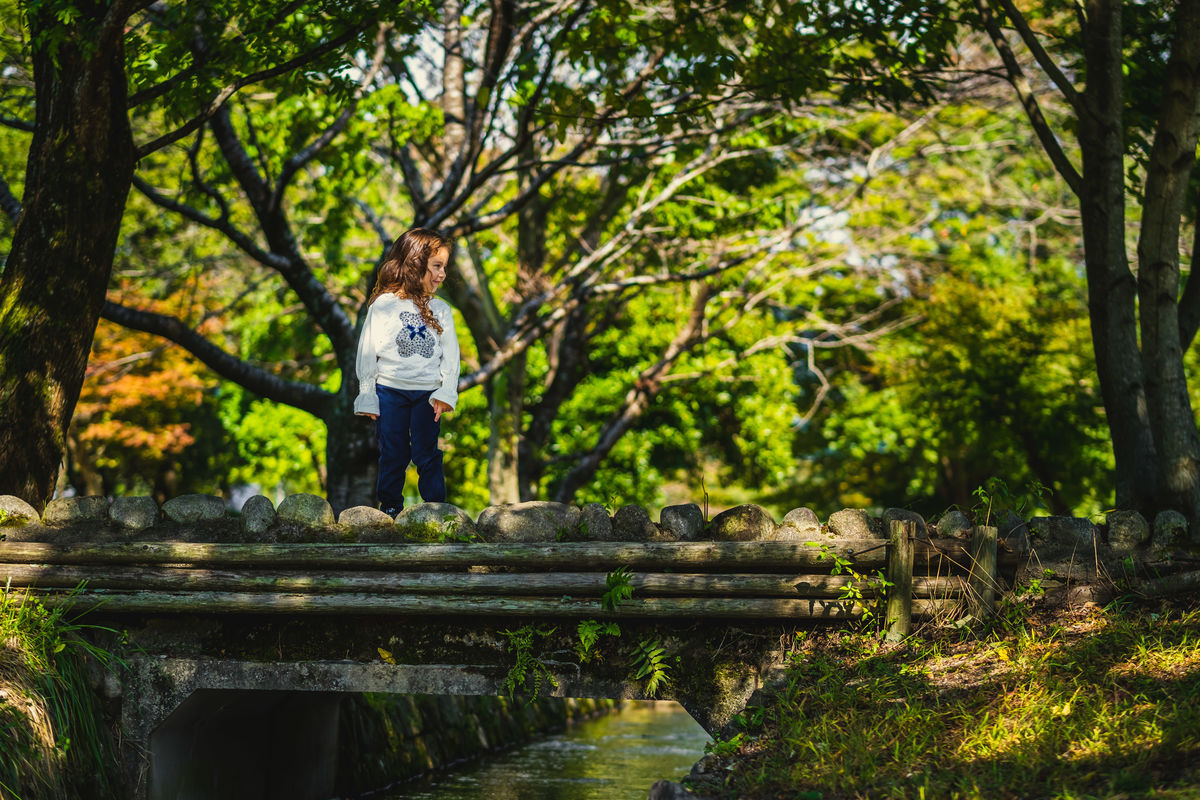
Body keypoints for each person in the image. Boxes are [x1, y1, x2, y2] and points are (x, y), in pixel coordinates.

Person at [354, 228, 460, 517]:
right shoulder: (384, 305)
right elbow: (367, 349)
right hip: (389, 391)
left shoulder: (441, 310)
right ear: (415, 263)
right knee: (393, 452)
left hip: (428, 395)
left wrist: (446, 392)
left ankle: (437, 510)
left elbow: (451, 356)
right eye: (436, 266)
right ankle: (389, 509)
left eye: (444, 267)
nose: (442, 274)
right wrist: (367, 393)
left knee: (427, 454)